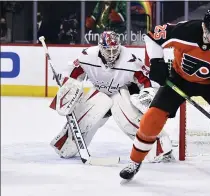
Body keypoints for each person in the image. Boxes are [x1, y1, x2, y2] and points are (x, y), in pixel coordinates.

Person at [119, 7, 210, 184]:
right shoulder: (185, 31)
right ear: (204, 28)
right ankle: (134, 162)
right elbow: (152, 36)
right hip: (179, 80)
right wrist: (156, 61)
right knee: (152, 119)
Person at [49, 31, 174, 163]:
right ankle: (67, 145)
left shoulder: (129, 59)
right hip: (99, 92)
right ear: (100, 48)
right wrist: (66, 84)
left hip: (120, 92)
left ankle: (160, 146)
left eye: (115, 50)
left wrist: (147, 93)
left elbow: (146, 80)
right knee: (84, 119)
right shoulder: (87, 56)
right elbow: (72, 76)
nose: (112, 54)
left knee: (129, 121)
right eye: (108, 51)